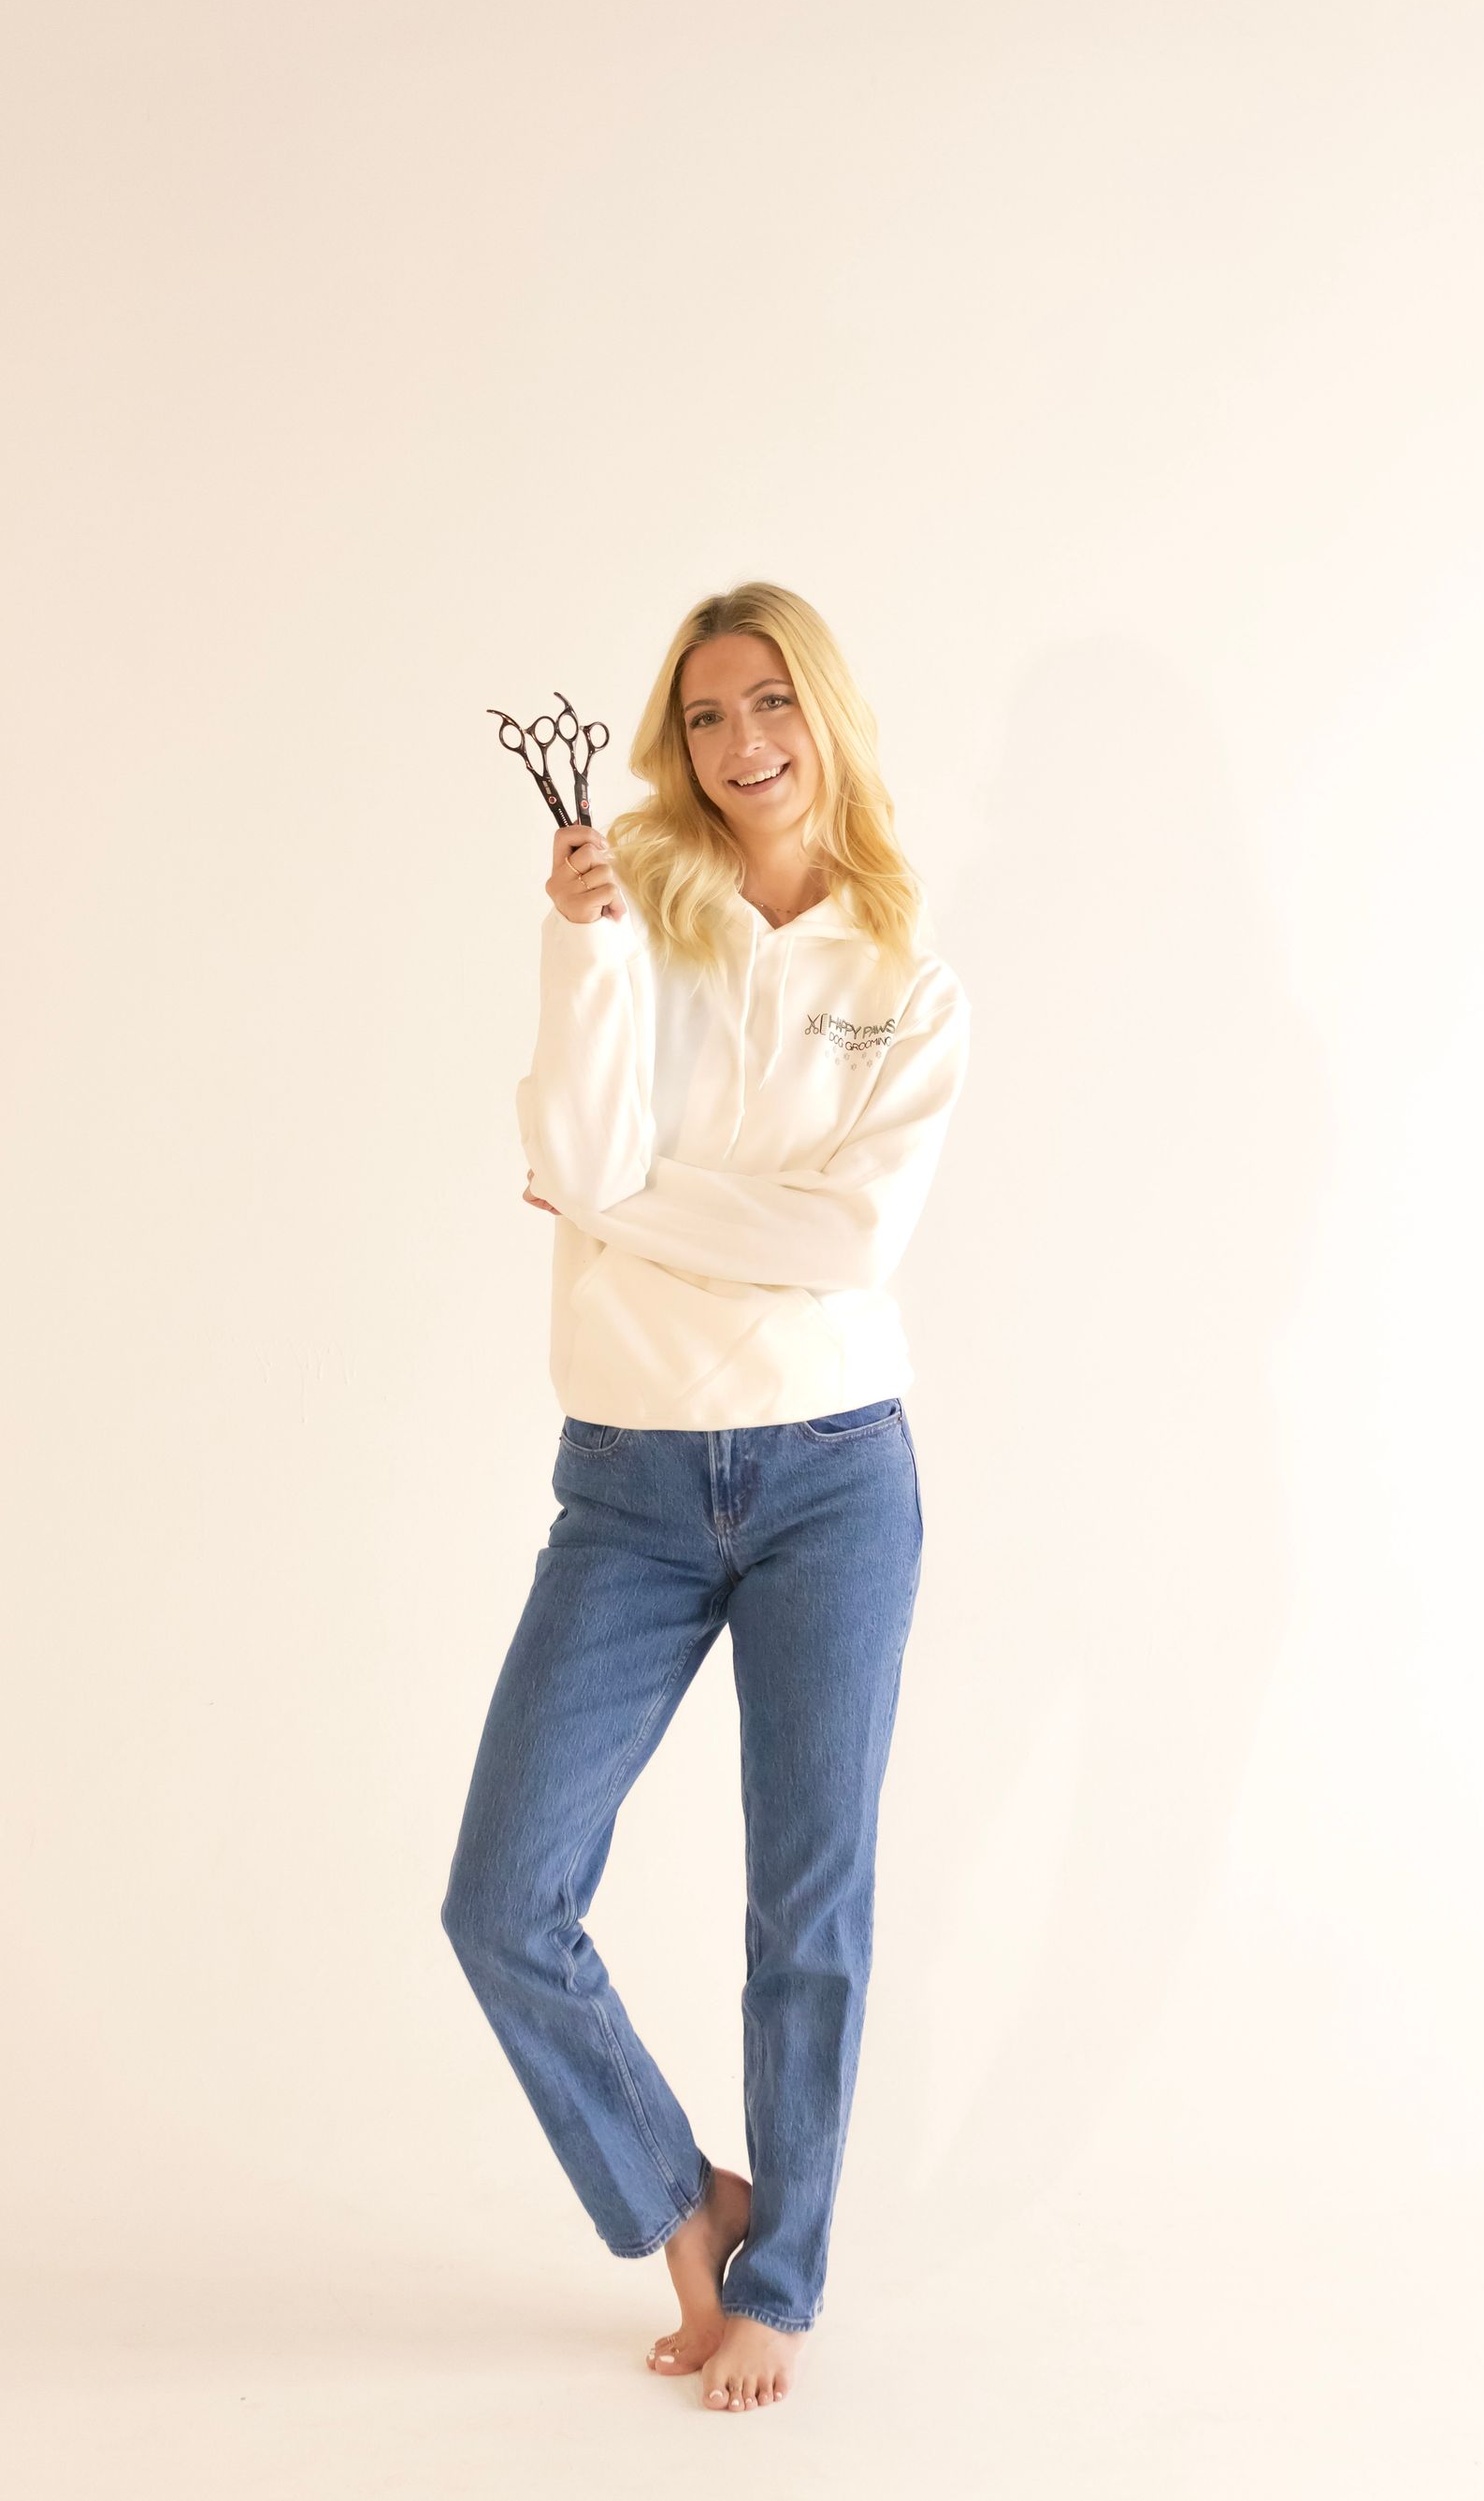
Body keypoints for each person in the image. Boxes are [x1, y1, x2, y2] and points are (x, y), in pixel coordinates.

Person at [440, 581, 972, 2414]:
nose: (741, 746)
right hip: (632, 1481)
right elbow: (575, 1147)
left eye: (772, 707)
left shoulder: (909, 983)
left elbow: (845, 1241)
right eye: (706, 716)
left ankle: (786, 2276)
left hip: (838, 1473)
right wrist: (576, 960)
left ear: (824, 717)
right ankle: (683, 2197)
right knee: (505, 1897)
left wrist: (609, 1202)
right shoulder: (634, 923)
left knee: (804, 1902)